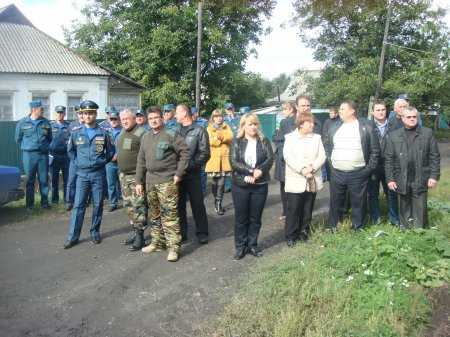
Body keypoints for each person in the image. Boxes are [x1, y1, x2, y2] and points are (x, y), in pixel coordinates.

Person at [135, 107, 190, 262]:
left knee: (170, 216)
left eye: (156, 117)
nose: (153, 120)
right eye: (151, 118)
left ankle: (173, 248)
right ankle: (157, 242)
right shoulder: (145, 137)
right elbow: (140, 161)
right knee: (154, 215)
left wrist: (179, 174)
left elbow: (185, 153)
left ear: (162, 118)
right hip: (150, 182)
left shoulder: (171, 134)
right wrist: (139, 181)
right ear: (147, 119)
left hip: (167, 181)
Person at [63, 100, 114, 249]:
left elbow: (110, 152)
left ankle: (95, 232)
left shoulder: (104, 133)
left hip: (98, 174)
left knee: (98, 204)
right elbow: (70, 151)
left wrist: (102, 161)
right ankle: (73, 236)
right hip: (82, 175)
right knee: (78, 206)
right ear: (82, 115)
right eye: (85, 113)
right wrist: (77, 163)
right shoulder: (76, 133)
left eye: (91, 113)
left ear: (95, 114)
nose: (88, 116)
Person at [323, 100, 380, 230]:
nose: (340, 111)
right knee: (335, 201)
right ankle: (333, 226)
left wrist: (367, 170)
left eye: (343, 109)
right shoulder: (334, 127)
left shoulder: (367, 126)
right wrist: (332, 165)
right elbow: (327, 146)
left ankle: (358, 227)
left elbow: (375, 151)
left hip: (359, 173)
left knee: (358, 203)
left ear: (352, 111)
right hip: (337, 173)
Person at [385, 106, 440, 229]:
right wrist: (390, 179)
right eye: (408, 117)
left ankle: (420, 230)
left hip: (421, 175)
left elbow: (434, 157)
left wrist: (434, 176)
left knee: (420, 206)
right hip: (401, 176)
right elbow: (388, 160)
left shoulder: (427, 133)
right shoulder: (394, 136)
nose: (412, 119)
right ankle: (405, 229)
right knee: (404, 205)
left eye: (414, 117)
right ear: (402, 118)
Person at [230, 113, 274, 260]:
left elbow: (269, 158)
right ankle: (240, 247)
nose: (253, 127)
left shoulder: (264, 141)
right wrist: (248, 172)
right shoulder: (236, 141)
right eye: (250, 124)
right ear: (243, 126)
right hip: (241, 185)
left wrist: (260, 170)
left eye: (255, 124)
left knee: (256, 218)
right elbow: (234, 162)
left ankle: (252, 245)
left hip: (259, 185)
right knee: (241, 218)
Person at [283, 113, 326, 246]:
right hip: (296, 178)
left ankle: (304, 232)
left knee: (308, 208)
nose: (313, 125)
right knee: (294, 209)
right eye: (310, 123)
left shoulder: (317, 138)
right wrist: (302, 169)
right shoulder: (290, 138)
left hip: (312, 178)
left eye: (313, 123)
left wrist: (312, 168)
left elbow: (322, 156)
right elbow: (288, 157)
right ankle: (291, 235)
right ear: (301, 124)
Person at [175, 104, 210, 244]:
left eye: (177, 112)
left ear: (184, 113)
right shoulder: (176, 131)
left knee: (197, 204)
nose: (175, 115)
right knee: (179, 205)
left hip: (193, 174)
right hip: (178, 174)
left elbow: (205, 153)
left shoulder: (199, 130)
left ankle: (202, 232)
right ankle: (182, 233)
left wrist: (189, 165)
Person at [116, 109, 148, 251]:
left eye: (127, 119)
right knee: (129, 206)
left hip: (136, 176)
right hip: (123, 176)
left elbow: (146, 156)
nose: (124, 121)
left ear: (134, 119)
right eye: (122, 119)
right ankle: (135, 232)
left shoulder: (141, 133)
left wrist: (140, 178)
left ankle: (140, 236)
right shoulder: (123, 132)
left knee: (138, 206)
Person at [15, 100, 52, 209]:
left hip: (43, 155)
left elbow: (49, 138)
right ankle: (29, 205)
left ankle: (44, 203)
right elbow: (18, 139)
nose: (43, 110)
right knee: (30, 179)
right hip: (29, 156)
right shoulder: (22, 123)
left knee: (44, 179)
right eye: (41, 109)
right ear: (34, 109)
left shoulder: (45, 122)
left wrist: (43, 147)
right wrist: (29, 146)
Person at [368, 100, 399, 225]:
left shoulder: (395, 126)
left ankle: (394, 219)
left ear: (386, 111)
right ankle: (376, 219)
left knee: (391, 193)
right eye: (378, 110)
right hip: (373, 166)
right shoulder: (368, 126)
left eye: (383, 110)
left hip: (389, 165)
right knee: (373, 194)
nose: (381, 112)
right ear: (373, 112)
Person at [205, 109, 233, 215]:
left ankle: (218, 203)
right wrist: (219, 139)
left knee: (221, 183)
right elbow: (210, 141)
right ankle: (216, 199)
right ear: (213, 118)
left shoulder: (227, 126)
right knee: (214, 183)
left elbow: (230, 137)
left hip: (224, 160)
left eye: (220, 116)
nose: (219, 118)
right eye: (216, 116)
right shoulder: (209, 128)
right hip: (213, 160)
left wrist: (221, 137)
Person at [273, 101, 297, 221]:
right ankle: (288, 211)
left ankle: (287, 211)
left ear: (291, 109)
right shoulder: (285, 121)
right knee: (287, 186)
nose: (283, 112)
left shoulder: (286, 122)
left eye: (285, 109)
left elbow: (278, 138)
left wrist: (277, 136)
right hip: (285, 157)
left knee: (286, 187)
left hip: (285, 158)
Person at [49, 105, 70, 205]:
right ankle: (54, 200)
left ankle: (67, 199)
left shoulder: (69, 126)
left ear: (64, 114)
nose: (60, 114)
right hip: (54, 156)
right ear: (55, 113)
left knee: (67, 179)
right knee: (54, 179)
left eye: (62, 112)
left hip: (66, 156)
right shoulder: (50, 126)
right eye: (58, 112)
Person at [66, 105, 83, 210]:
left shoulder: (89, 125)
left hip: (85, 159)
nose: (81, 115)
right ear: (77, 114)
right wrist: (73, 158)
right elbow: (68, 143)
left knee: (84, 181)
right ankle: (69, 201)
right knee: (71, 180)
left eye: (83, 113)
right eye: (79, 113)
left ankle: (83, 200)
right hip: (74, 158)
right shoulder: (72, 126)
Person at [104, 110, 122, 212]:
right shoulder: (106, 132)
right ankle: (113, 203)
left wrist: (118, 155)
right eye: (112, 119)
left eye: (115, 119)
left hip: (121, 162)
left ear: (119, 120)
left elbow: (125, 147)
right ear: (109, 121)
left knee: (123, 183)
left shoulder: (123, 131)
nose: (114, 121)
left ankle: (126, 201)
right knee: (111, 184)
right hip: (110, 163)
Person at [192, 106, 208, 196]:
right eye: (191, 114)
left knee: (202, 172)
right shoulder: (187, 123)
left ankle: (202, 191)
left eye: (194, 113)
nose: (193, 115)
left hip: (201, 150)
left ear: (197, 113)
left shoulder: (203, 122)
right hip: (192, 151)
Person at [321, 107, 339, 182]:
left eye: (332, 113)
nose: (330, 114)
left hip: (336, 144)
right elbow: (324, 132)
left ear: (336, 114)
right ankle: (325, 176)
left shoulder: (339, 121)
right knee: (325, 160)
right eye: (330, 113)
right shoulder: (327, 121)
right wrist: (324, 142)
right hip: (327, 144)